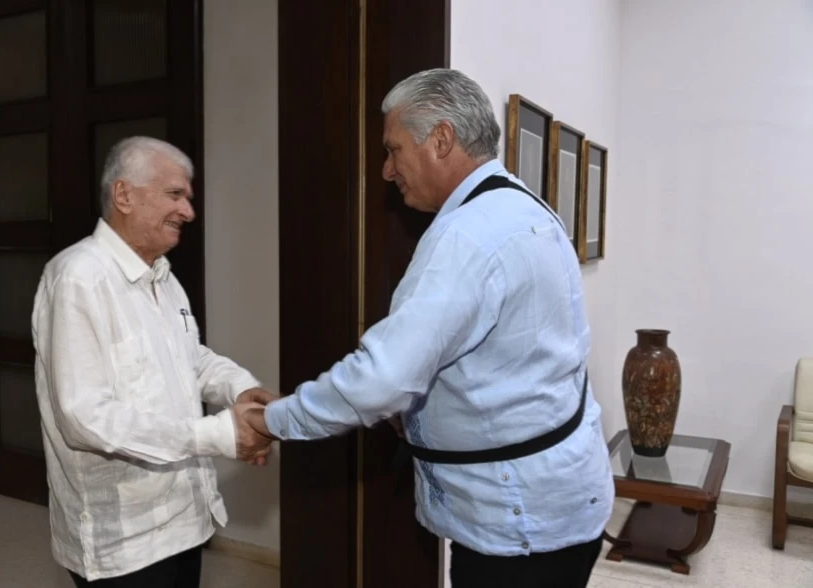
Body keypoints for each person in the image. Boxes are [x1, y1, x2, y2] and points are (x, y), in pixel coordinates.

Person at [245, 68, 615, 587]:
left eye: (394, 149)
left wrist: (273, 420)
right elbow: (505, 357)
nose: (386, 170)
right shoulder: (523, 206)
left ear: (441, 139)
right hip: (559, 502)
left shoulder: (467, 236)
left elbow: (381, 380)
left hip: (519, 527)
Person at [31, 136, 275, 587]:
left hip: (185, 522)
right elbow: (85, 417)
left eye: (188, 198)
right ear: (124, 195)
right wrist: (219, 434)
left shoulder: (163, 277)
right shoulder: (77, 279)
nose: (188, 212)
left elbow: (189, 358)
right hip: (124, 543)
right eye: (175, 195)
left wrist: (238, 388)